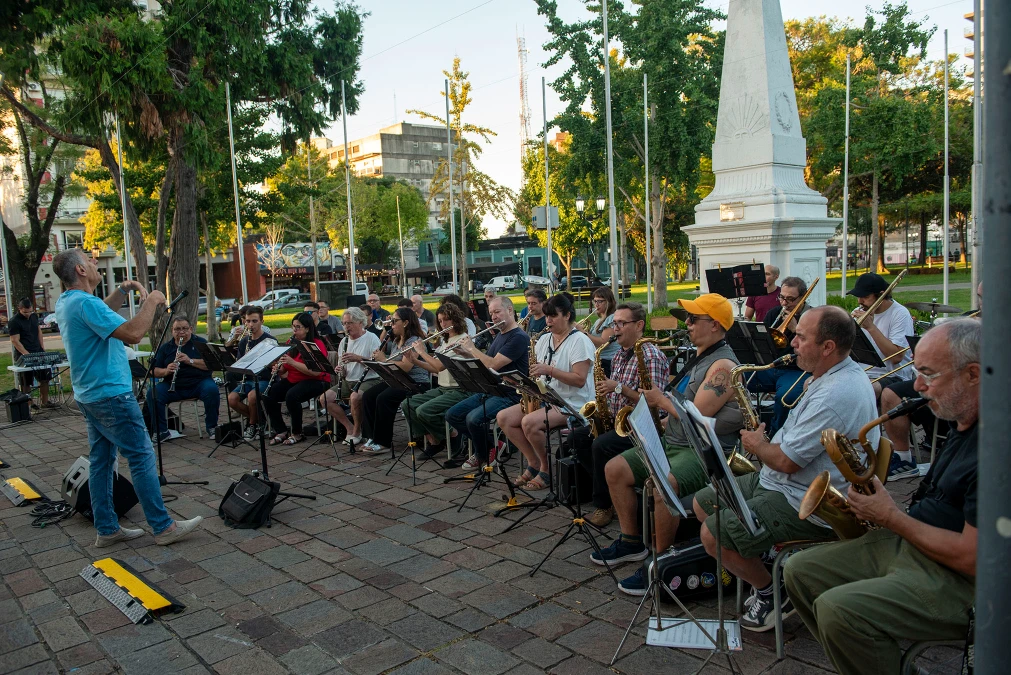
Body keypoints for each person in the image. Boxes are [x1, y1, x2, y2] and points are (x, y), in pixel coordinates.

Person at [784, 319, 979, 674]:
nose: (916, 386)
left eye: (928, 374)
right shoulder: (962, 419)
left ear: (974, 375)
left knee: (838, 609)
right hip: (914, 544)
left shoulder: (994, 447)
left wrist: (891, 517)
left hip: (962, 581)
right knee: (798, 570)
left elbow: (973, 559)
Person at [689, 306, 879, 631]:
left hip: (806, 502)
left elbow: (786, 461)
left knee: (712, 534)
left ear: (828, 347)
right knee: (702, 503)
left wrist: (756, 445)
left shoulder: (834, 394)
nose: (791, 342)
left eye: (801, 337)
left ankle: (772, 592)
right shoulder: (830, 375)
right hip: (784, 482)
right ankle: (762, 564)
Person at [593, 293, 744, 594]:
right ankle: (631, 541)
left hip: (702, 451)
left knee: (663, 485)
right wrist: (661, 420)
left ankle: (660, 563)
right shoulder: (702, 357)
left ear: (714, 325)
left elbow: (698, 413)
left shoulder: (723, 365)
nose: (686, 324)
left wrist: (660, 400)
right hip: (676, 441)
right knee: (615, 468)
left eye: (693, 319)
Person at [51, 248, 201, 547]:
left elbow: (102, 312)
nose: (94, 263)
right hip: (110, 395)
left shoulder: (70, 302)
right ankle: (163, 527)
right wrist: (152, 301)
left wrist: (122, 289)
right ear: (80, 270)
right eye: (89, 260)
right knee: (141, 456)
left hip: (90, 394)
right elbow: (132, 333)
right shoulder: (84, 303)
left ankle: (107, 529)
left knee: (102, 461)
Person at [574, 302, 670, 527]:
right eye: (614, 323)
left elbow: (654, 403)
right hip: (618, 421)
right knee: (577, 439)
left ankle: (604, 506)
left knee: (601, 446)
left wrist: (619, 388)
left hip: (644, 427)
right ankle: (611, 492)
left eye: (621, 323)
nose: (615, 328)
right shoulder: (619, 355)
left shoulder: (650, 356)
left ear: (639, 326)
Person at [880, 281, 982, 481]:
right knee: (891, 393)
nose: (982, 304)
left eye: (987, 298)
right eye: (980, 297)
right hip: (950, 377)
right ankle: (904, 458)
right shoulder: (971, 318)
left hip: (978, 389)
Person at [497, 293, 595, 491]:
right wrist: (521, 383)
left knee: (529, 422)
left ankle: (546, 469)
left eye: (553, 316)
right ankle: (533, 462)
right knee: (504, 417)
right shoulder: (543, 340)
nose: (548, 320)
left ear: (567, 315)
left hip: (572, 402)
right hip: (547, 399)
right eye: (547, 316)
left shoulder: (580, 341)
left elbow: (579, 379)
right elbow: (537, 376)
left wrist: (549, 370)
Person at [446, 295, 530, 469]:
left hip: (511, 393)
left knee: (473, 419)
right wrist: (466, 354)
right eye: (491, 313)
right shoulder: (501, 335)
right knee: (452, 415)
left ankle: (483, 452)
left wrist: (472, 348)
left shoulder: (518, 337)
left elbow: (493, 364)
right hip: (493, 388)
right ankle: (493, 446)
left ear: (510, 310)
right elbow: (487, 362)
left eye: (497, 312)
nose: (493, 317)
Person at [401, 304, 472, 456]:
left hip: (459, 389)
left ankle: (453, 435)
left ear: (456, 320)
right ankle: (435, 440)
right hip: (443, 388)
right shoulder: (444, 340)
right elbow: (434, 369)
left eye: (446, 320)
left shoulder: (462, 339)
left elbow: (440, 366)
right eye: (440, 321)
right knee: (408, 404)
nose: (443, 324)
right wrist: (415, 361)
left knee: (424, 410)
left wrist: (421, 351)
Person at [746, 276, 812, 435]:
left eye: (790, 299)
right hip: (771, 366)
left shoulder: (811, 317)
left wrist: (796, 329)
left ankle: (777, 438)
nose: (784, 303)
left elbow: (813, 350)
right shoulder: (774, 313)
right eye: (781, 297)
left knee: (786, 399)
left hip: (796, 370)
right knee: (733, 379)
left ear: (803, 297)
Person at [358, 307, 430, 453]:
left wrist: (384, 360)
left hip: (415, 382)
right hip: (398, 380)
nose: (392, 324)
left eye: (394, 321)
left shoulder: (414, 341)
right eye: (391, 321)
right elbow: (386, 354)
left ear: (405, 323)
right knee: (368, 395)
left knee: (384, 398)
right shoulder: (396, 339)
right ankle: (372, 437)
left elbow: (406, 367)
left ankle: (382, 442)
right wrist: (386, 329)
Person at [262, 312, 331, 446]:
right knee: (268, 394)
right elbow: (285, 369)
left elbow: (316, 373)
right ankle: (281, 430)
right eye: (293, 326)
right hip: (295, 379)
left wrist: (292, 362)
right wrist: (277, 367)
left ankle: (297, 433)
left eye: (298, 327)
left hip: (317, 381)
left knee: (291, 396)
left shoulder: (316, 344)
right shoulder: (291, 342)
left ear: (307, 328)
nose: (294, 330)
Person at [148, 315, 220, 442]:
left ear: (191, 329)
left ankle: (212, 427)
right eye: (177, 329)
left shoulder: (201, 343)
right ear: (172, 331)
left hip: (199, 382)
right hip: (173, 385)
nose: (181, 332)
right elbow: (153, 371)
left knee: (211, 390)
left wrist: (189, 360)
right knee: (153, 393)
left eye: (185, 329)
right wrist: (166, 371)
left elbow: (211, 365)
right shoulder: (166, 348)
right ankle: (161, 431)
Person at [318, 307, 381, 443]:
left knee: (355, 397)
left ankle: (358, 431)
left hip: (370, 379)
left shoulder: (371, 338)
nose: (346, 327)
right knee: (324, 399)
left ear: (360, 322)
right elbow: (345, 367)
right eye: (344, 323)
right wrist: (340, 370)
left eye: (349, 323)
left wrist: (358, 358)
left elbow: (378, 364)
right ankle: (350, 427)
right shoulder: (344, 341)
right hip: (349, 380)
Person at [849, 272, 914, 394]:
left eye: (865, 297)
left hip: (892, 376)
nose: (859, 301)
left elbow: (896, 357)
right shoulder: (858, 312)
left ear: (881, 295)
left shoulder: (900, 314)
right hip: (862, 372)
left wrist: (871, 328)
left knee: (866, 389)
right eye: (858, 296)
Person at [225, 307, 278, 439]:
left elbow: (275, 365)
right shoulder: (244, 342)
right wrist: (246, 359)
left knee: (252, 396)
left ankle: (252, 425)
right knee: (232, 399)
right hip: (248, 379)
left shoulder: (270, 340)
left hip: (265, 378)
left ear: (262, 321)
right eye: (248, 321)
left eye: (254, 321)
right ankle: (262, 421)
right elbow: (239, 364)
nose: (250, 325)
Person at [8, 298, 55, 408]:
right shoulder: (14, 321)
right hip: (23, 354)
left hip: (38, 350)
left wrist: (42, 346)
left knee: (45, 377)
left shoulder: (34, 317)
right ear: (19, 309)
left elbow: (39, 331)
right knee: (26, 381)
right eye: (25, 312)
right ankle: (30, 403)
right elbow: (15, 340)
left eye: (30, 311)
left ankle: (45, 401)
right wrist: (26, 354)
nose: (28, 314)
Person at [581, 286, 618, 377]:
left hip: (607, 361)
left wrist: (583, 333)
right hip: (599, 360)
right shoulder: (599, 321)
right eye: (595, 301)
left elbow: (603, 342)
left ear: (608, 302)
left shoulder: (611, 318)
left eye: (600, 301)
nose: (596, 304)